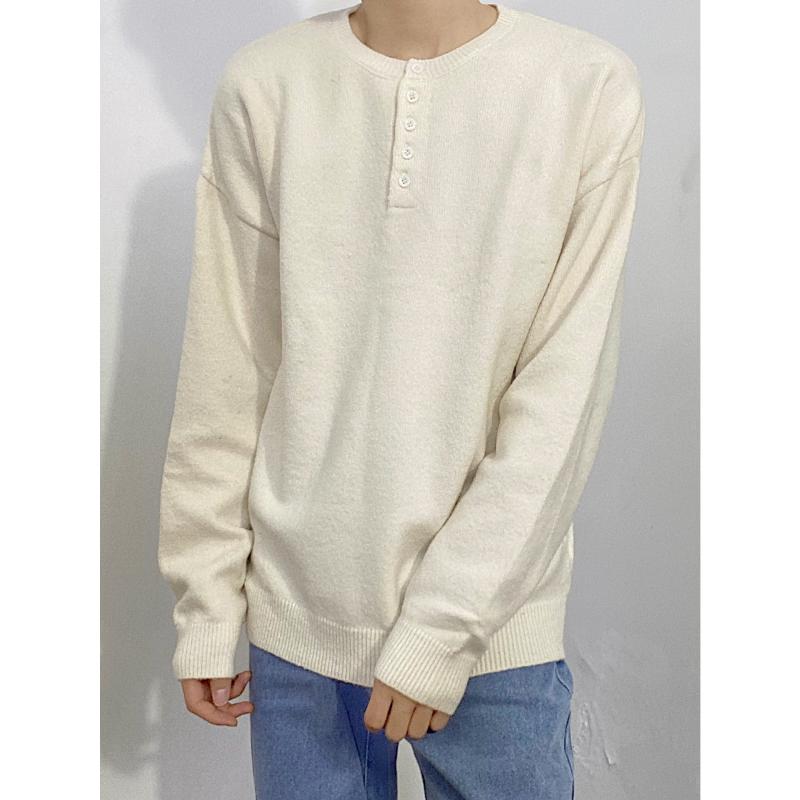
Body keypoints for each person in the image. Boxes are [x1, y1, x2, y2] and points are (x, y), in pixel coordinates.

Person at [157, 1, 645, 797]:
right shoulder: (266, 83)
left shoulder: (585, 85)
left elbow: (564, 402)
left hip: (492, 636)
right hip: (298, 630)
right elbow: (229, 367)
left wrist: (444, 627)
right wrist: (206, 600)